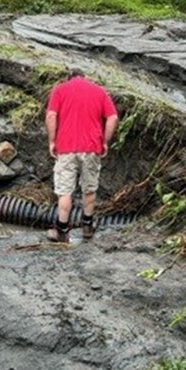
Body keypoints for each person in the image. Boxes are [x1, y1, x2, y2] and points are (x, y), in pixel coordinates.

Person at [44, 68, 118, 242]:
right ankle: (87, 226)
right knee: (89, 188)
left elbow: (51, 115)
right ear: (85, 77)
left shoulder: (60, 89)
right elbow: (113, 117)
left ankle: (61, 231)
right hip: (92, 146)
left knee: (65, 191)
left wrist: (52, 141)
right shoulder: (99, 91)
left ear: (69, 77)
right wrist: (105, 141)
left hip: (66, 147)